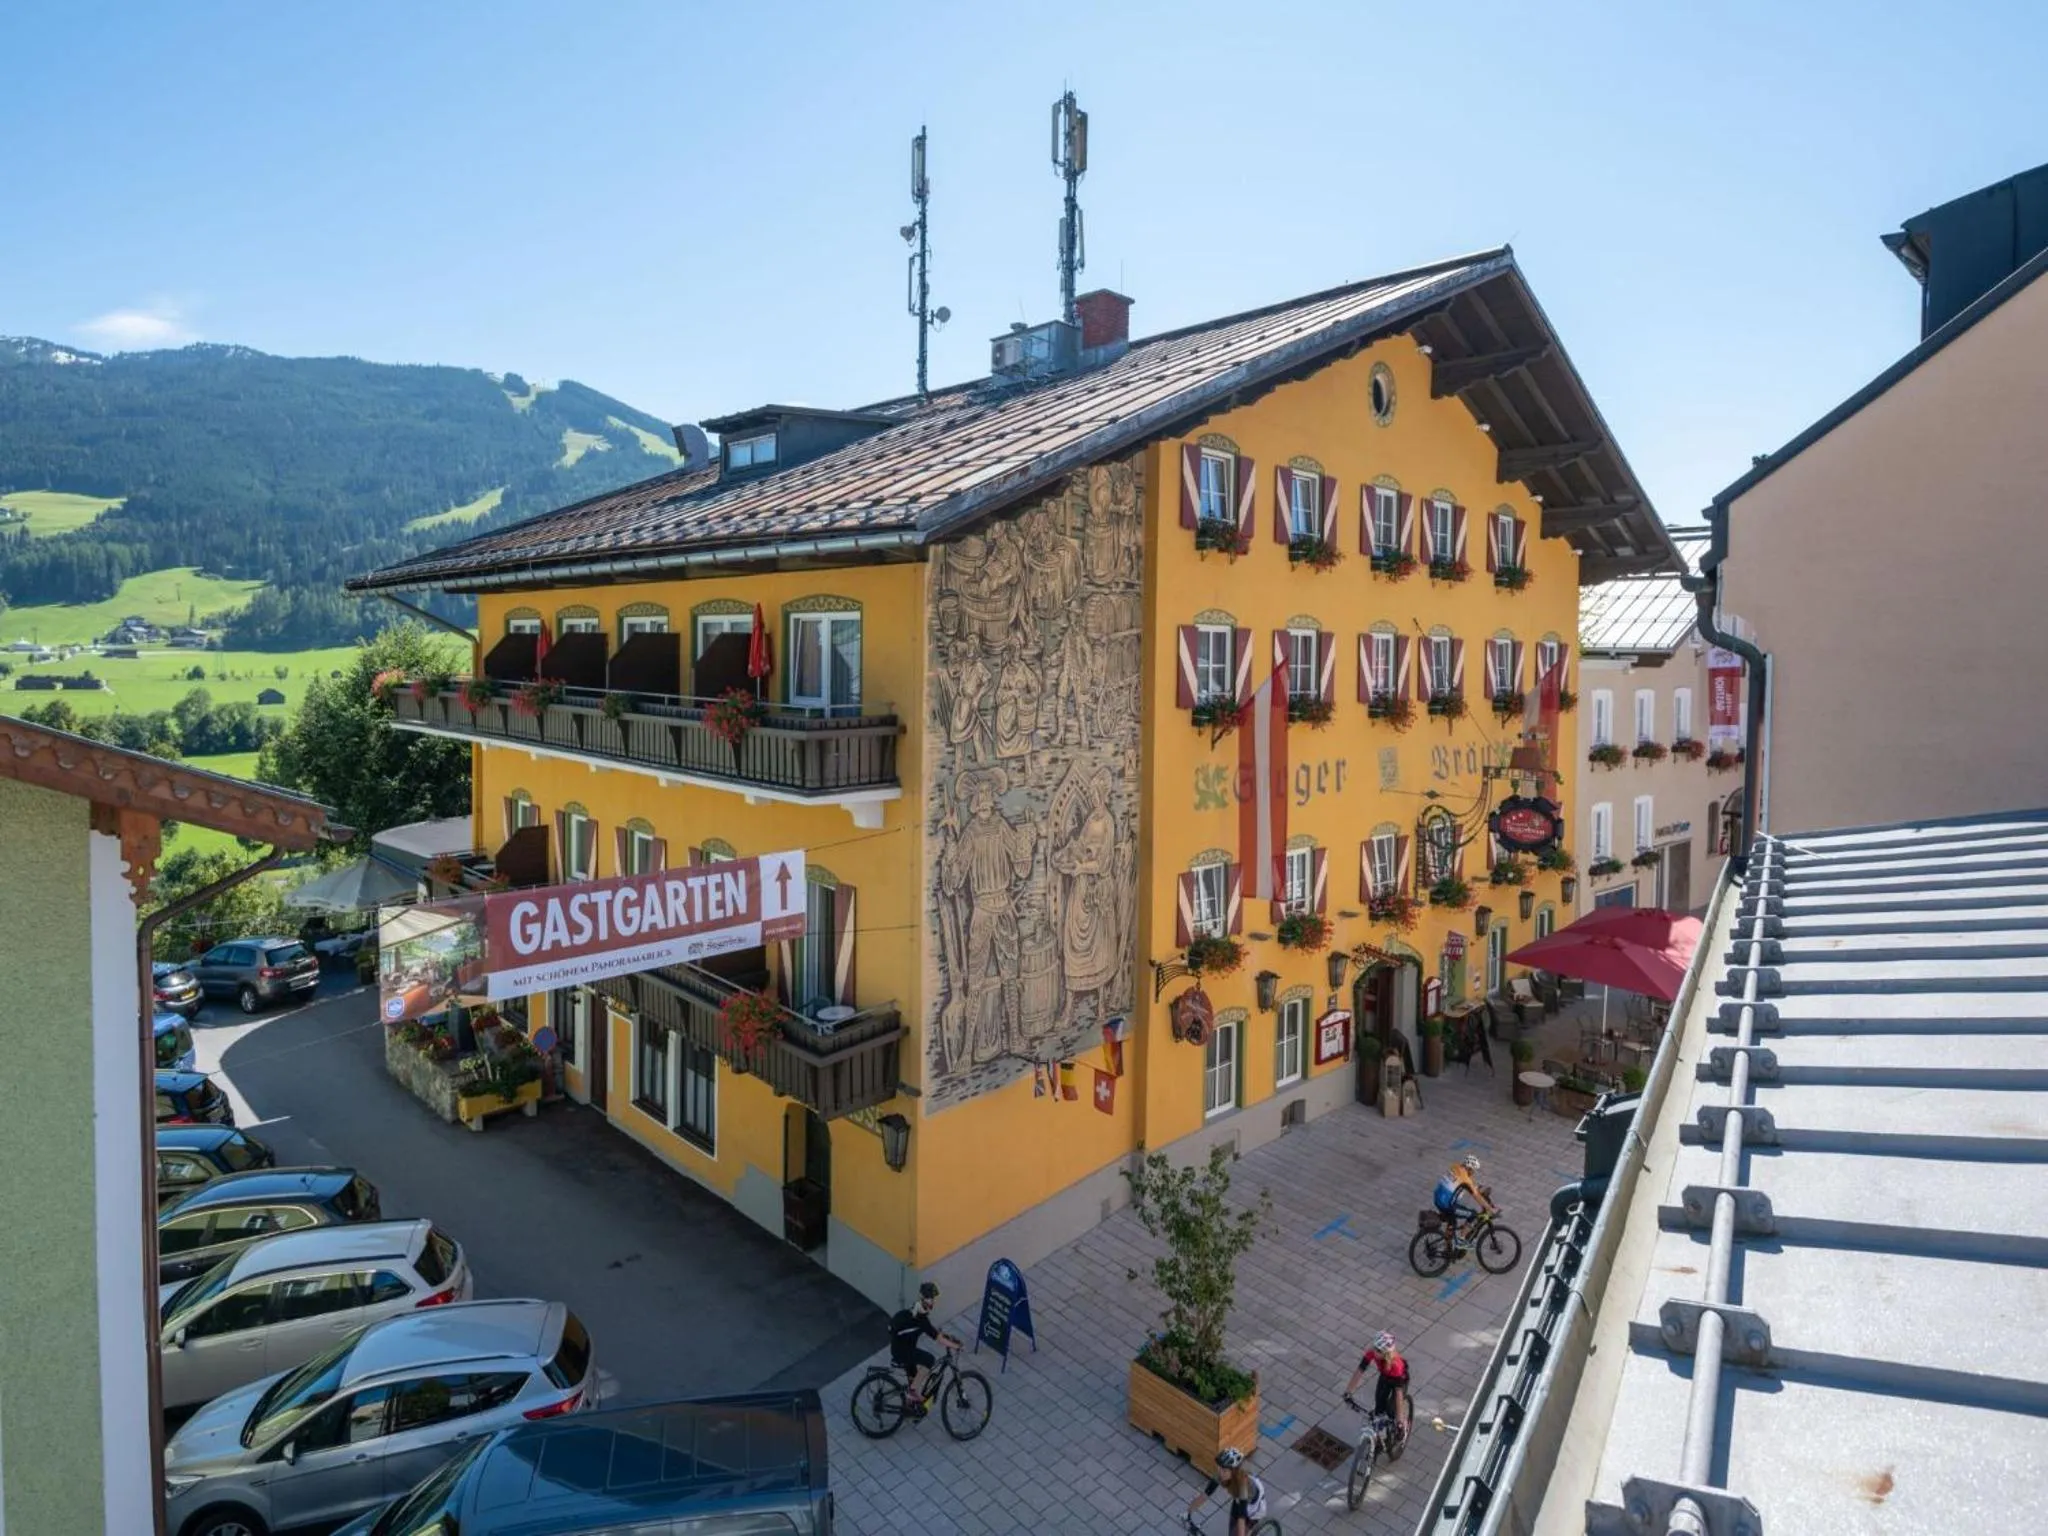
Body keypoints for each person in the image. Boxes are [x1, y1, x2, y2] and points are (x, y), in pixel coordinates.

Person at [888, 1282, 961, 1416]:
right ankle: (913, 1392)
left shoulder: (917, 1310)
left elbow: (931, 1330)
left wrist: (944, 1335)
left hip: (902, 1347)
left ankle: (910, 1407)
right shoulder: (921, 1317)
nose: (933, 1301)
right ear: (924, 1299)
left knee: (914, 1376)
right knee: (929, 1360)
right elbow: (936, 1337)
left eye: (933, 1298)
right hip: (902, 1351)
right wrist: (955, 1346)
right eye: (931, 1298)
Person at [1344, 1330, 1413, 1442]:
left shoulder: (1396, 1366)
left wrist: (1399, 1421)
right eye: (1374, 1347)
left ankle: (1403, 1426)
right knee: (1379, 1407)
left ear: (1385, 1353)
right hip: (1385, 1377)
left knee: (1392, 1410)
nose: (1374, 1351)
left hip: (1399, 1380)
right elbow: (1360, 1371)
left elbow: (1399, 1394)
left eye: (1377, 1350)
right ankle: (1379, 1435)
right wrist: (1349, 1392)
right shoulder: (1373, 1352)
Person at [1186, 1446, 1265, 1536]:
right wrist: (1188, 1511)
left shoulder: (1243, 1486)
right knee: (1232, 1528)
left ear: (1234, 1471)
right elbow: (1205, 1494)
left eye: (1224, 1470)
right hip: (1239, 1500)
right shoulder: (1222, 1475)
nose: (1220, 1473)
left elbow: (1241, 1517)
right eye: (1219, 1468)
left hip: (1252, 1507)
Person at [1432, 1154, 1497, 1250]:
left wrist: (1477, 1187)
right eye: (1473, 1170)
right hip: (1446, 1204)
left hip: (1438, 1198)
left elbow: (1465, 1184)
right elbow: (1476, 1196)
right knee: (1473, 1215)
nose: (1474, 1173)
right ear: (1469, 1168)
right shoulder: (1465, 1179)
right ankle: (1461, 1241)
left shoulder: (1455, 1167)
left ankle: (1448, 1247)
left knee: (1452, 1222)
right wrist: (1490, 1209)